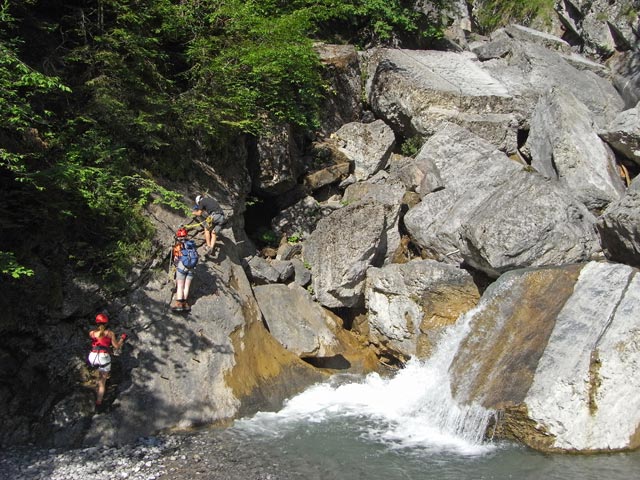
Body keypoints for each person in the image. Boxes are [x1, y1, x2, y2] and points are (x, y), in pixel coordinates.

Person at [87, 313, 126, 407]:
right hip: (103, 358)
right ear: (106, 323)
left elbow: (98, 341)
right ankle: (99, 402)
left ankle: (97, 381)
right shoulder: (109, 333)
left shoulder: (91, 333)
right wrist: (122, 338)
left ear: (96, 323)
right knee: (102, 382)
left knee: (100, 373)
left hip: (92, 357)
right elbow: (116, 347)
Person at [171, 227, 196, 311]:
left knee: (180, 286)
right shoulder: (192, 245)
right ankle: (185, 304)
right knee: (186, 286)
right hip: (192, 267)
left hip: (182, 267)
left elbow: (176, 259)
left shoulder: (178, 246)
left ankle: (179, 304)